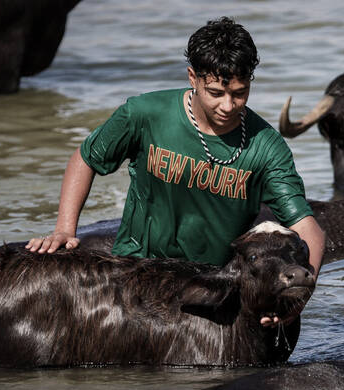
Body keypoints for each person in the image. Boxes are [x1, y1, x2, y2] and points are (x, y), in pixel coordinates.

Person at [25, 17, 325, 326]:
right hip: (134, 272)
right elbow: (86, 158)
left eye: (239, 93)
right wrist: (64, 229)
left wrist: (298, 303)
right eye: (216, 93)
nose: (228, 105)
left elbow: (309, 229)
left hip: (210, 286)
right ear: (193, 77)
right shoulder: (145, 114)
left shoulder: (266, 146)